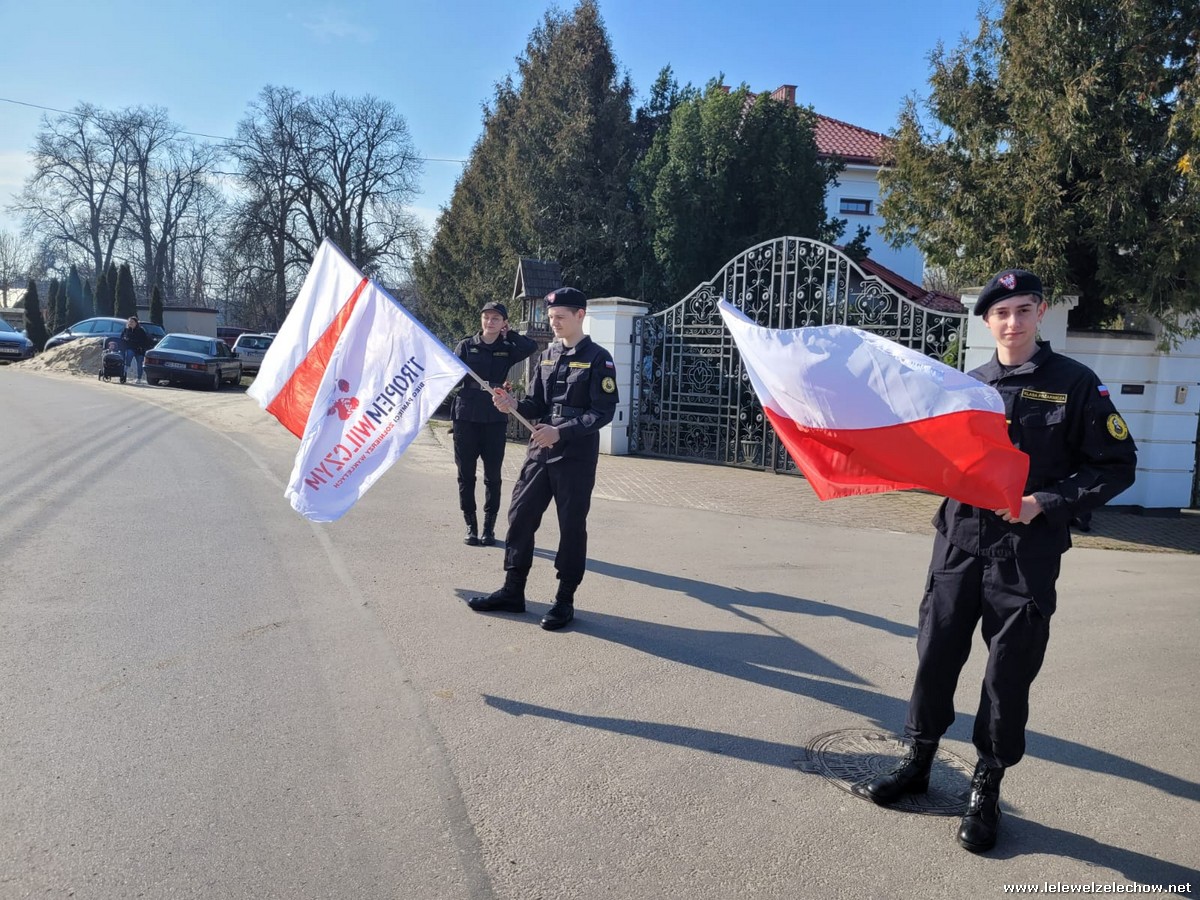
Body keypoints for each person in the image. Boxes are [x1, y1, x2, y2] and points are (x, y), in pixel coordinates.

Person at [853, 269, 1137, 852]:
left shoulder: (1075, 383)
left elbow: (1116, 465)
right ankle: (919, 761)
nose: (1012, 322)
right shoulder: (965, 385)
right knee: (935, 654)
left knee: (1007, 673)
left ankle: (986, 785)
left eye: (1023, 310)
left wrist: (1045, 503)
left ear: (1041, 312)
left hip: (1026, 554)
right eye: (1001, 313)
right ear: (986, 321)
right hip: (958, 541)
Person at [467, 287, 619, 630]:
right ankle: (513, 590)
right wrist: (513, 404)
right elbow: (536, 403)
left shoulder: (599, 358)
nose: (554, 323)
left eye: (560, 317)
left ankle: (564, 600)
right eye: (551, 318)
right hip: (540, 450)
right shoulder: (548, 355)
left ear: (580, 315)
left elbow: (602, 411)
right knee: (520, 515)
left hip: (575, 455)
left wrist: (561, 432)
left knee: (571, 525)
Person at [451, 301, 538, 546]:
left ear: (503, 323)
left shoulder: (507, 348)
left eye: (496, 319)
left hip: (494, 415)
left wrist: (510, 334)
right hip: (466, 415)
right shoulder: (466, 345)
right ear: (481, 320)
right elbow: (451, 373)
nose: (490, 322)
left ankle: (489, 528)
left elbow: (530, 347)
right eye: (486, 317)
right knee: (466, 474)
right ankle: (471, 525)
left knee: (493, 476)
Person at [120, 316, 152, 384]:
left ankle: (139, 378)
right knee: (127, 359)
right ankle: (123, 374)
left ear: (136, 323)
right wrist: (124, 341)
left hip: (139, 349)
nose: (130, 323)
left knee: (139, 364)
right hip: (130, 348)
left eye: (132, 322)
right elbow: (122, 338)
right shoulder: (126, 330)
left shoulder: (141, 330)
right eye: (129, 322)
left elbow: (145, 340)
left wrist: (142, 347)